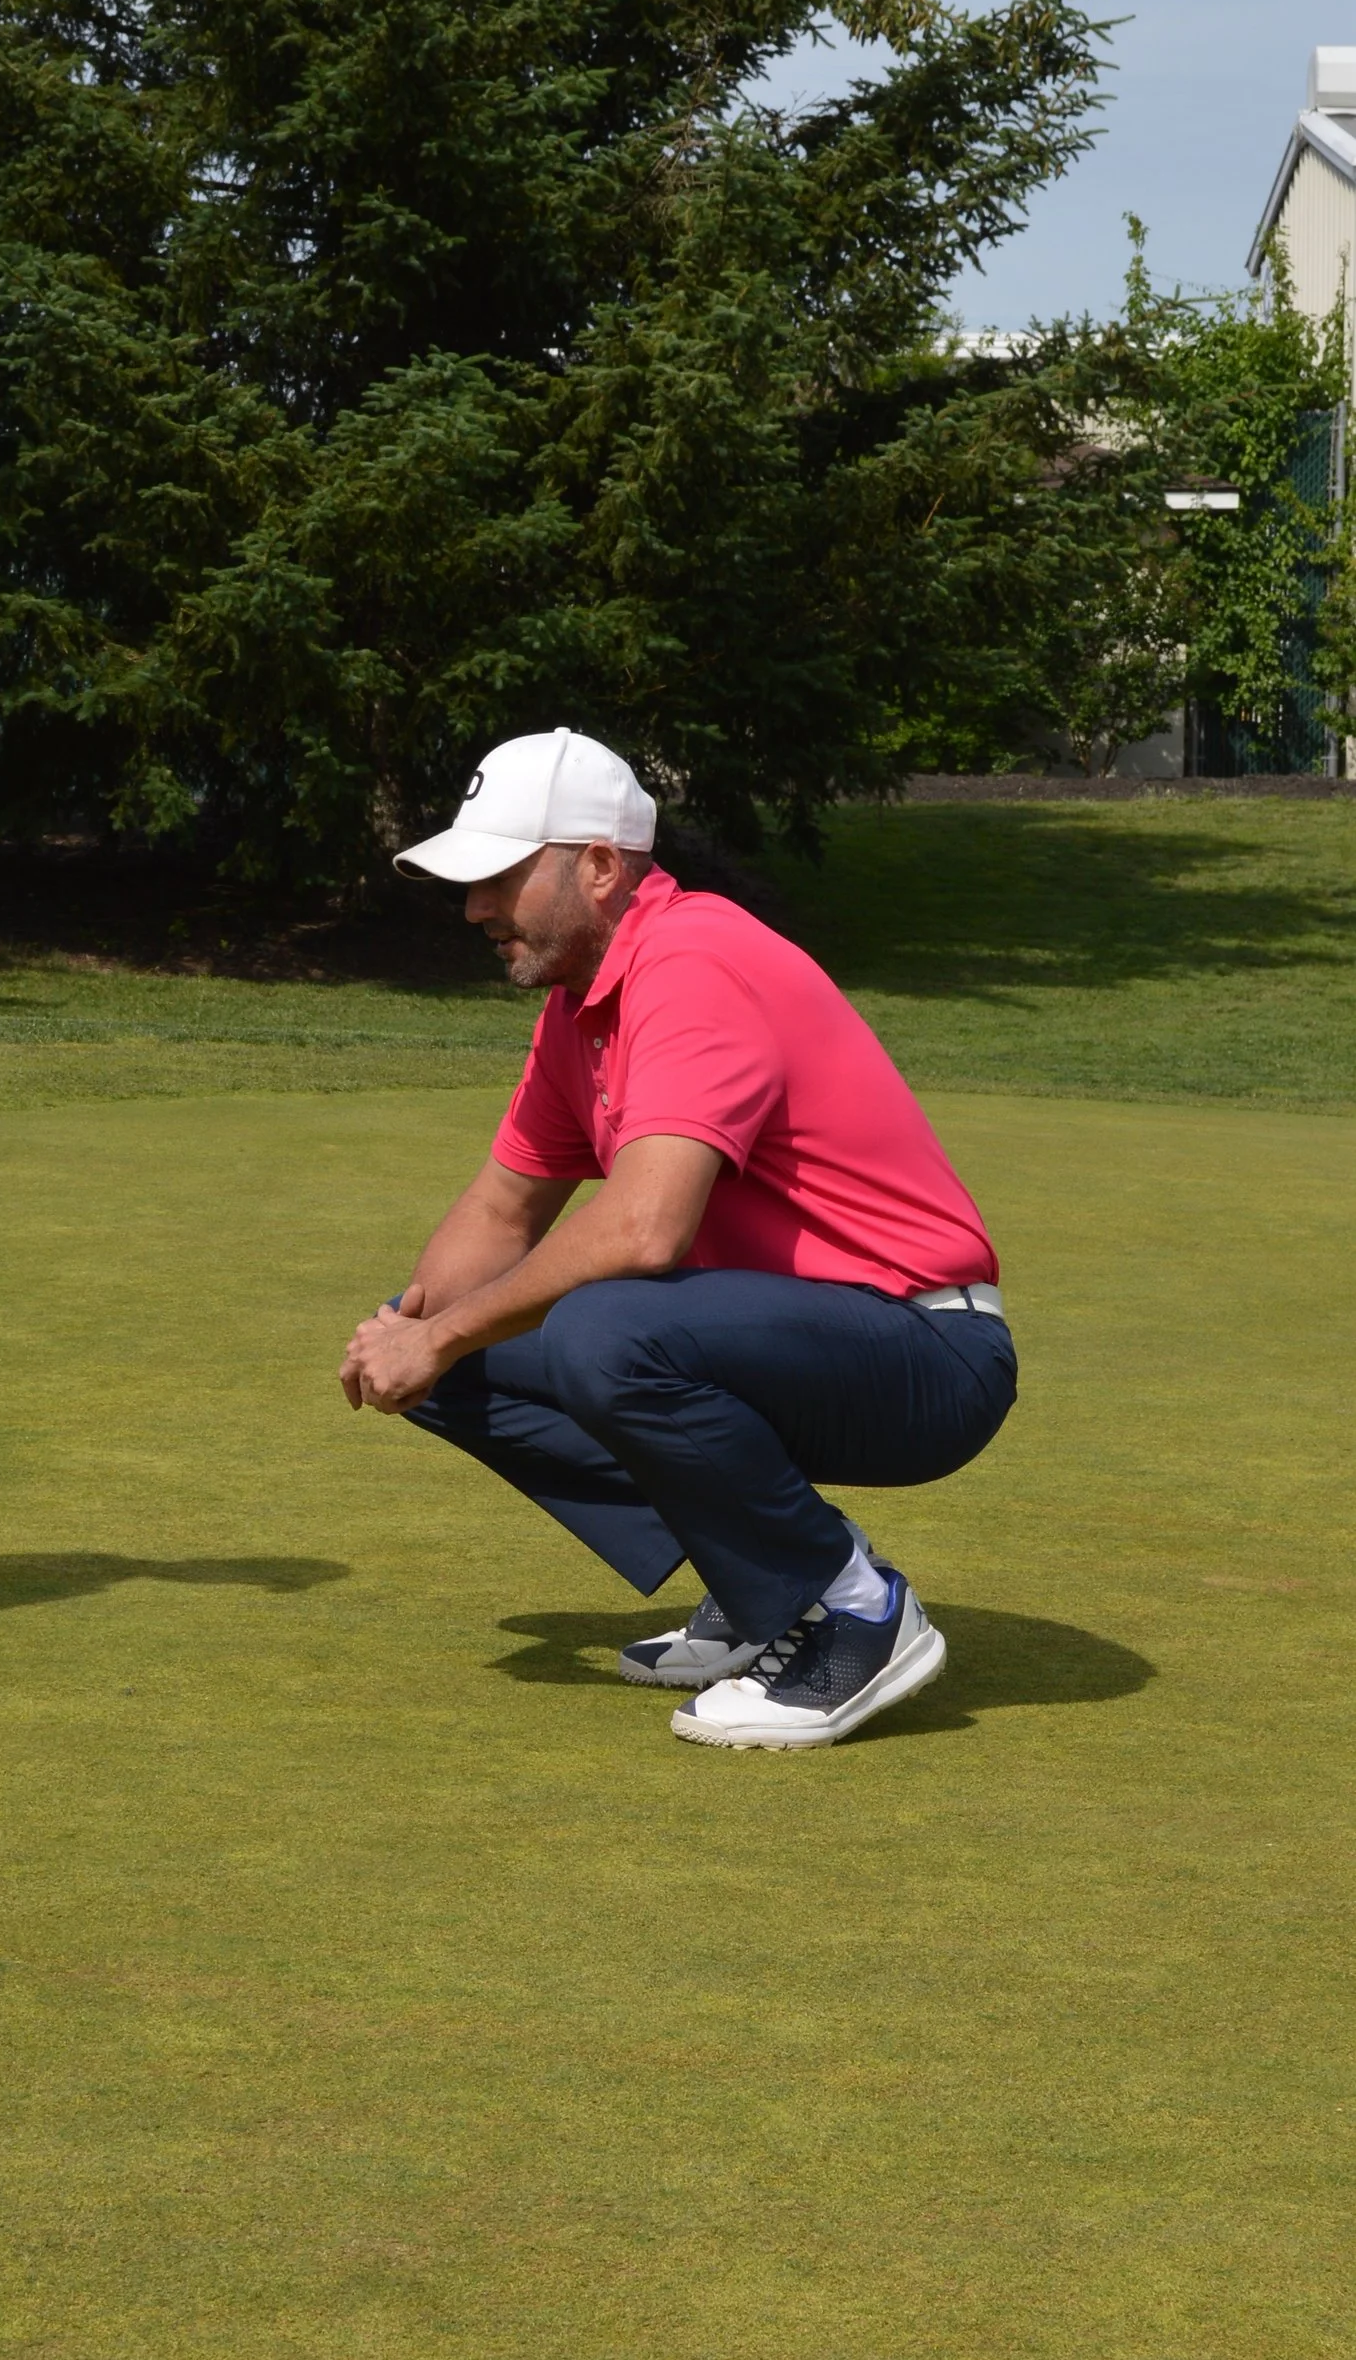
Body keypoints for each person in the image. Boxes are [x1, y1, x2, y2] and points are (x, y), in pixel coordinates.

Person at [338, 729, 1016, 1749]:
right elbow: (500, 1212)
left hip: (926, 1350)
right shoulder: (579, 1008)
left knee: (603, 1330)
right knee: (454, 1347)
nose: (473, 907)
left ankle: (853, 1613)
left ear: (600, 867)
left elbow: (646, 1227)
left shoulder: (694, 960)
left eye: (499, 877)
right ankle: (761, 1588)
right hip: (792, 1339)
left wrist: (440, 1335)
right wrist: (408, 1334)